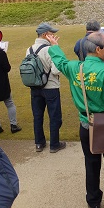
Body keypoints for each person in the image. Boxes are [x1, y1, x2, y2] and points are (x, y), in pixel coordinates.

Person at [47, 31, 104, 208]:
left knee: (91, 163)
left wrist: (55, 46)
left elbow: (61, 62)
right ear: (98, 49)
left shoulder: (75, 68)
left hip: (87, 124)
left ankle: (93, 202)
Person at [27, 23, 65, 153]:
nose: (53, 35)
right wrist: (57, 49)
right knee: (54, 116)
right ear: (44, 35)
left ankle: (39, 143)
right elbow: (56, 70)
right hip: (51, 87)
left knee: (37, 116)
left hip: (35, 87)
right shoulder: (49, 49)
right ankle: (54, 144)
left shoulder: (29, 49)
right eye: (51, 33)